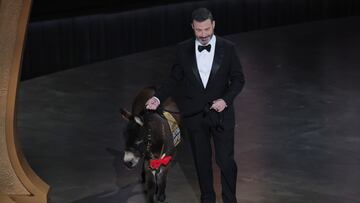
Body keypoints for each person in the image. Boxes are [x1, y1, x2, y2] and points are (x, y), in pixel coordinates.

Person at [145, 7, 245, 203]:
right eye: (199, 30)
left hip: (221, 115)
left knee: (225, 161)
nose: (204, 35)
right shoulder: (183, 49)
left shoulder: (228, 48)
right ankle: (207, 200)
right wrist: (157, 97)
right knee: (201, 163)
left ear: (213, 25)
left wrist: (225, 100)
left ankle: (230, 200)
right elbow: (174, 79)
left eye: (207, 29)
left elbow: (238, 79)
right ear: (192, 27)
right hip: (194, 116)